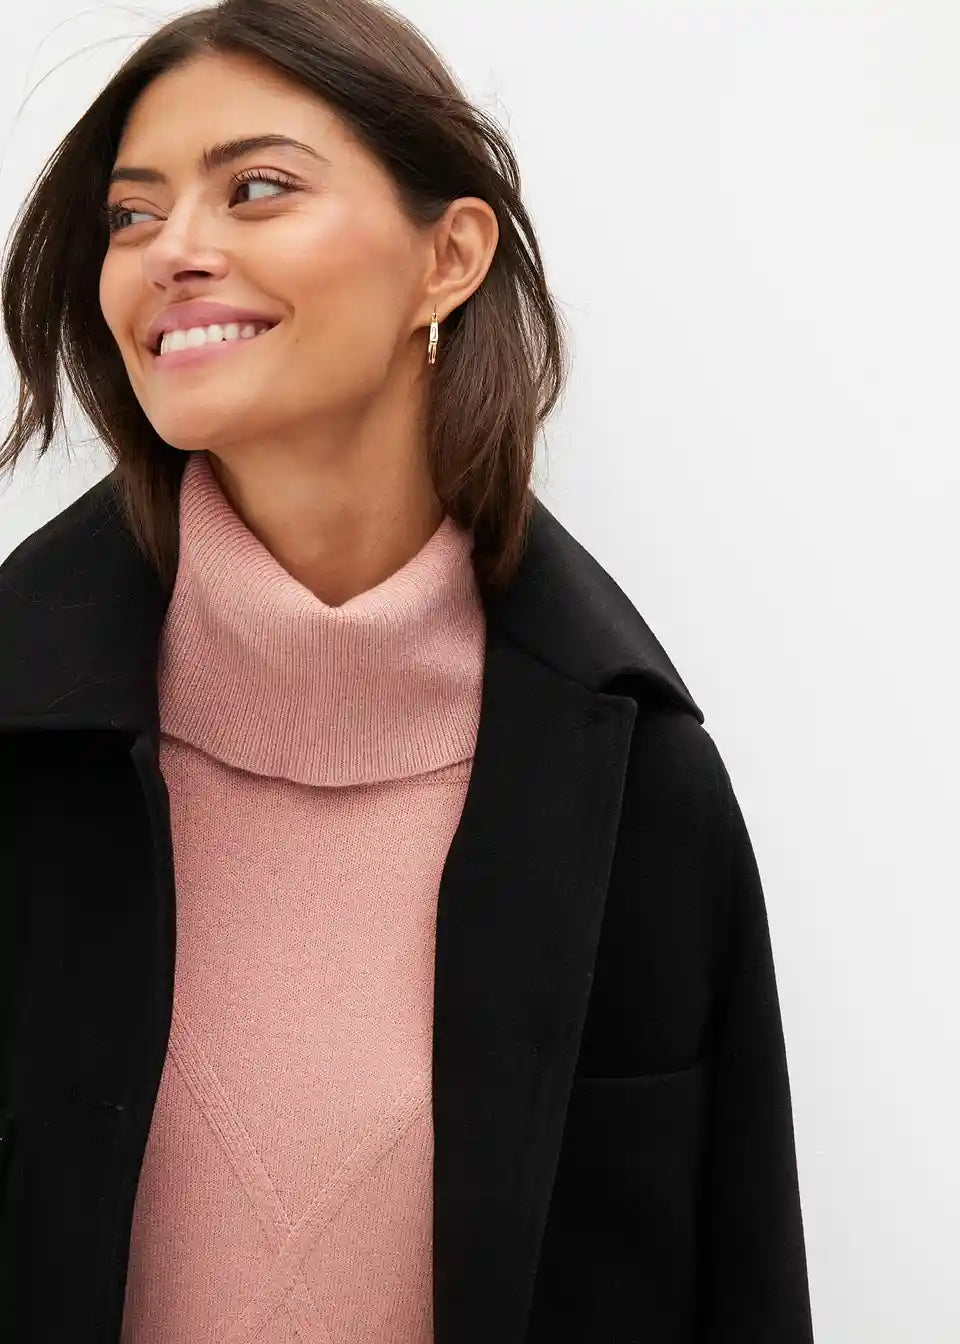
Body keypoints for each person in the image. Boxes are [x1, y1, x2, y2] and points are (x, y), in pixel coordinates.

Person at [0, 1, 815, 1341]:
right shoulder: (22, 753)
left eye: (256, 188)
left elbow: (734, 1287)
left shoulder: (640, 790)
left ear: (449, 257)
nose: (173, 250)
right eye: (132, 215)